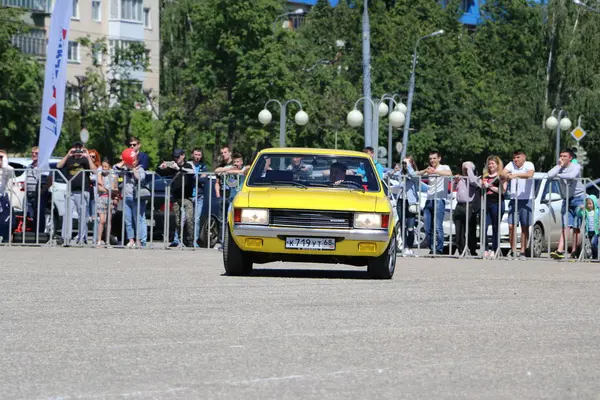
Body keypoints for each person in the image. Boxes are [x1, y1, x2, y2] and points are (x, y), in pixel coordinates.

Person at [548, 148, 586, 259]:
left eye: (564, 156)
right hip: (566, 199)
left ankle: (574, 251)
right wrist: (559, 167)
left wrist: (558, 175)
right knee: (565, 225)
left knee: (576, 226)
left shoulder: (576, 166)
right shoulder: (559, 167)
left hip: (578, 198)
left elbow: (571, 176)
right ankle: (560, 250)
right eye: (561, 156)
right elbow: (549, 174)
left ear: (570, 158)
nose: (562, 158)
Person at [57, 141, 95, 245]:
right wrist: (68, 154)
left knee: (82, 215)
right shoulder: (69, 159)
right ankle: (65, 237)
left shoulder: (85, 160)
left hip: (83, 191)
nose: (78, 151)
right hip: (71, 191)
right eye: (76, 148)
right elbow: (59, 166)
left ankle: (82, 238)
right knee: (67, 214)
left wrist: (87, 157)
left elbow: (94, 170)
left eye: (80, 148)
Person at [157, 149, 196, 247]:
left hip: (187, 197)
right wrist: (160, 168)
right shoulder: (172, 167)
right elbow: (160, 173)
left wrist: (178, 168)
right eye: (174, 157)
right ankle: (179, 239)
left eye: (178, 157)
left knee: (189, 218)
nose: (176, 159)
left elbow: (190, 173)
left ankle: (190, 240)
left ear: (183, 156)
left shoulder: (188, 165)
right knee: (177, 221)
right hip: (176, 197)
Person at [417, 150, 452, 255]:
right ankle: (432, 248)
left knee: (437, 227)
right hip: (429, 199)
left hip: (439, 199)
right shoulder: (429, 169)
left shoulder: (444, 167)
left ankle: (439, 249)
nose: (432, 160)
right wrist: (425, 171)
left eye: (434, 158)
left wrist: (435, 172)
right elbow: (416, 174)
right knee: (427, 227)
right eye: (430, 158)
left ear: (439, 158)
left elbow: (449, 174)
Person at [501, 150, 535, 260]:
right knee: (511, 226)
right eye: (514, 158)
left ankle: (523, 251)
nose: (516, 160)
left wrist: (516, 175)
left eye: (518, 157)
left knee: (524, 227)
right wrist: (507, 175)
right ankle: (513, 250)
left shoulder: (529, 164)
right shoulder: (511, 165)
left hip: (526, 199)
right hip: (513, 199)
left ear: (524, 157)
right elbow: (502, 173)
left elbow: (530, 174)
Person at [114, 153, 147, 247]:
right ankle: (131, 239)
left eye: (134, 160)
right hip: (126, 196)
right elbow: (114, 168)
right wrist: (124, 161)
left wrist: (133, 170)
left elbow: (140, 178)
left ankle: (139, 240)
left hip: (136, 197)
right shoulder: (124, 169)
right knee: (128, 220)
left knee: (138, 220)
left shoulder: (140, 169)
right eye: (131, 160)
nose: (132, 162)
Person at [389, 156, 420, 257]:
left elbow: (414, 176)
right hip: (401, 201)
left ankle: (410, 247)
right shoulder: (400, 174)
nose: (404, 165)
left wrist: (409, 167)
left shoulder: (414, 174)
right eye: (404, 163)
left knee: (411, 227)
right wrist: (394, 171)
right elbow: (388, 175)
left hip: (410, 202)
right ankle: (405, 247)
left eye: (407, 163)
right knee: (402, 225)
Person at [453, 161, 481, 257]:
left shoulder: (475, 179)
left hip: (469, 205)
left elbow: (474, 182)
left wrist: (469, 170)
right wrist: (456, 181)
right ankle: (460, 249)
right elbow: (453, 188)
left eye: (467, 168)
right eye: (463, 168)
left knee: (470, 229)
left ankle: (471, 249)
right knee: (459, 228)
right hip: (459, 205)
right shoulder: (460, 179)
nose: (464, 169)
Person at [481, 155, 507, 259]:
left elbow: (503, 191)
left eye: (493, 164)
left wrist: (490, 186)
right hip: (486, 203)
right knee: (484, 226)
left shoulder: (501, 176)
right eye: (489, 163)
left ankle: (494, 249)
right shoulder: (485, 176)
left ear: (497, 165)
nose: (491, 165)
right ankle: (485, 249)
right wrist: (482, 185)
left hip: (497, 202)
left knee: (496, 227)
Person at [25, 146, 51, 233]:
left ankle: (39, 233)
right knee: (31, 214)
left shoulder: (44, 166)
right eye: (32, 153)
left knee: (39, 214)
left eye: (36, 153)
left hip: (40, 194)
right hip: (29, 194)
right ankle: (32, 232)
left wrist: (42, 191)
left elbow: (50, 180)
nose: (33, 155)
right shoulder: (29, 166)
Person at [96, 158, 117, 246]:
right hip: (102, 199)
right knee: (102, 220)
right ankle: (99, 239)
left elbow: (115, 188)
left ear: (109, 167)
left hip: (110, 199)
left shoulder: (113, 176)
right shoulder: (100, 175)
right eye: (103, 166)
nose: (104, 168)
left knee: (109, 221)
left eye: (106, 167)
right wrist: (99, 172)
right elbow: (99, 186)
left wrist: (113, 194)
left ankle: (107, 239)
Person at [190, 148, 207, 248]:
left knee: (196, 220)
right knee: (184, 218)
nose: (197, 156)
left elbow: (204, 180)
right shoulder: (189, 165)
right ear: (192, 155)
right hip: (188, 195)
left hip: (199, 196)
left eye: (199, 155)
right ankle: (179, 239)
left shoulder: (203, 166)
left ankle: (194, 241)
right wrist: (198, 177)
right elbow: (190, 178)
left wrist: (196, 177)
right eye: (196, 154)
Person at [577, 195, 599, 259]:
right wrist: (580, 209)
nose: (589, 205)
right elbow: (579, 214)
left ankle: (596, 255)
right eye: (587, 204)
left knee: (593, 243)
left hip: (596, 231)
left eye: (590, 204)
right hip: (588, 231)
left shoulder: (597, 211)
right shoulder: (586, 211)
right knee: (590, 244)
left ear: (594, 203)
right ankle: (593, 255)